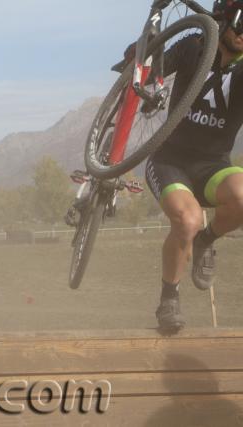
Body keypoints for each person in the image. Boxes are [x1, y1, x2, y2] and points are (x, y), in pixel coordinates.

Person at [145, 0, 243, 331]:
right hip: (168, 159)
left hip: (213, 166)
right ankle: (168, 299)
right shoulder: (194, 46)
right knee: (186, 221)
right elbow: (149, 69)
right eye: (240, 22)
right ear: (223, 18)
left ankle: (206, 241)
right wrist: (147, 37)